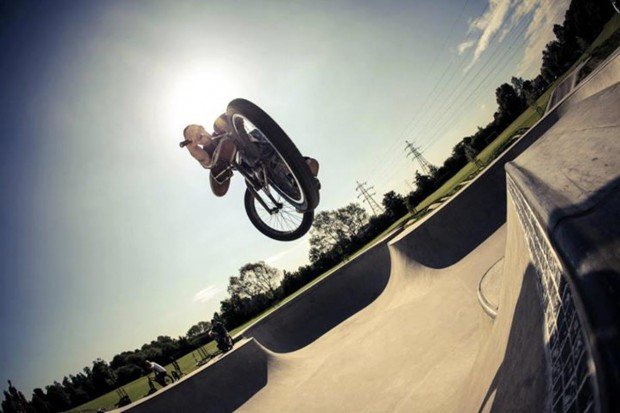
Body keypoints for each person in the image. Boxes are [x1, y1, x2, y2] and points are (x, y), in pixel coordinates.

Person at [183, 114, 319, 197]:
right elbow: (203, 159)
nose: (195, 135)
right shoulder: (209, 151)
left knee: (311, 164)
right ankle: (298, 190)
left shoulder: (217, 131)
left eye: (196, 130)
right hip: (251, 163)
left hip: (265, 147)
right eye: (191, 136)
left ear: (201, 127)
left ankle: (238, 130)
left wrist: (236, 114)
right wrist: (192, 149)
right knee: (218, 157)